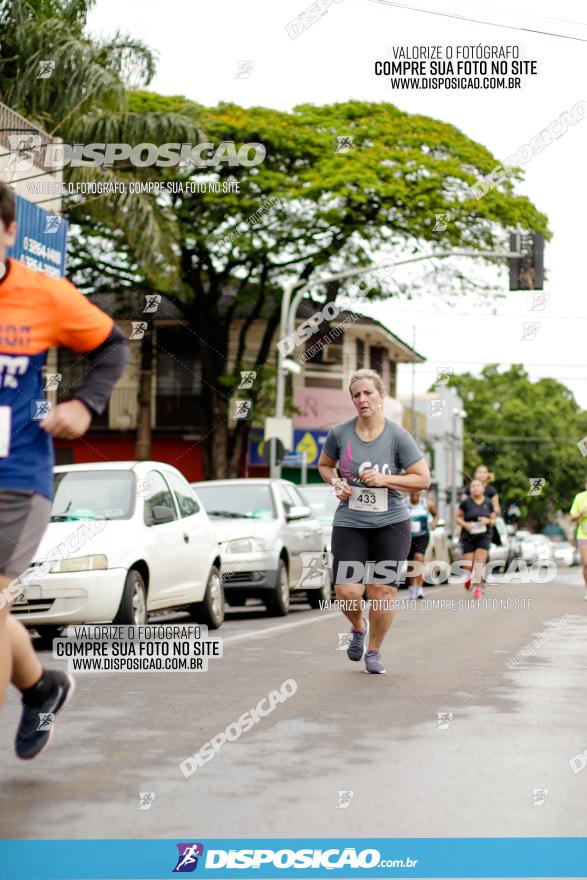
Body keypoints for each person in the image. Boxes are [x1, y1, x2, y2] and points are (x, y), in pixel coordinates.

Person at [0, 182, 129, 759]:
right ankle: (42, 685)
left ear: (9, 234)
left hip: (17, 477)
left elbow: (111, 347)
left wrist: (84, 403)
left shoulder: (44, 295)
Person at [317, 368, 430, 674]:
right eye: (356, 395)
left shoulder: (398, 436)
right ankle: (357, 626)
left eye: (368, 393)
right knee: (348, 591)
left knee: (382, 592)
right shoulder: (339, 434)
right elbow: (325, 465)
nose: (362, 399)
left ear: (381, 396)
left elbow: (423, 480)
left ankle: (374, 650)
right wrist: (336, 482)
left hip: (391, 522)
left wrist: (384, 479)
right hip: (350, 521)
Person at [456, 478, 496, 599]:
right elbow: (457, 517)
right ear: (470, 489)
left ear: (483, 489)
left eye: (478, 486)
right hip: (468, 536)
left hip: (484, 535)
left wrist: (488, 520)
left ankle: (478, 588)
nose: (475, 488)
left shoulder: (488, 503)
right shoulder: (466, 503)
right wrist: (466, 525)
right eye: (473, 486)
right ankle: (468, 578)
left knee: (479, 562)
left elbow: (494, 521)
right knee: (468, 565)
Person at [406, 490, 437, 599]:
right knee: (410, 563)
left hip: (422, 536)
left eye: (417, 491)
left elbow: (436, 515)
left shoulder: (427, 503)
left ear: (420, 492)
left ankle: (420, 587)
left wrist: (434, 523)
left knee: (419, 558)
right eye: (412, 491)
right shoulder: (403, 504)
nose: (414, 493)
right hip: (407, 537)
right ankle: (412, 586)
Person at [569, 476, 587, 600]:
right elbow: (572, 518)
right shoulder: (579, 497)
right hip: (583, 535)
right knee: (586, 564)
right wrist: (580, 514)